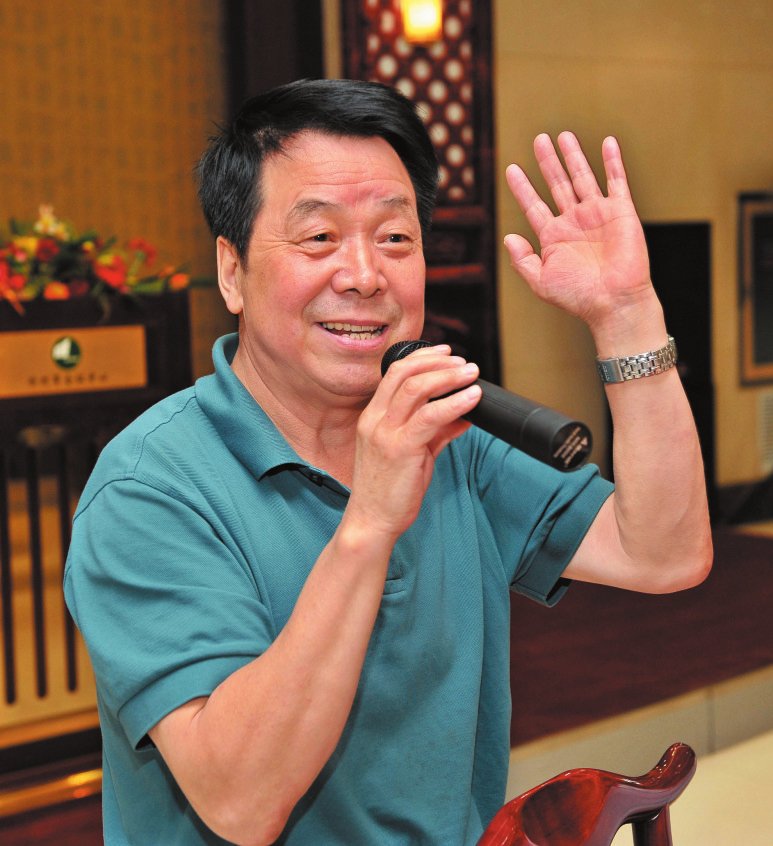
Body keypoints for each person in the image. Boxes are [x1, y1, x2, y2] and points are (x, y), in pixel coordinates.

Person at [64, 78, 712, 846]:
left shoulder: (451, 438)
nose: (366, 275)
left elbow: (664, 551)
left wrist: (627, 315)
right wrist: (370, 519)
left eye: (396, 238)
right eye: (319, 238)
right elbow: (241, 802)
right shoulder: (149, 487)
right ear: (232, 271)